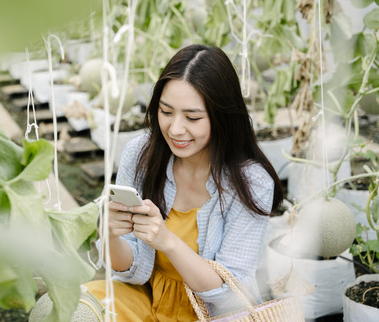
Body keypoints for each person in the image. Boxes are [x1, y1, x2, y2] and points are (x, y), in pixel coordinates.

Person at [84, 44, 283, 321]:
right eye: (166, 112)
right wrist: (110, 235)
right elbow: (134, 270)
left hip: (213, 314)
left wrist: (166, 240)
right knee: (77, 309)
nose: (175, 129)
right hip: (147, 297)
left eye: (192, 117)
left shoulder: (252, 182)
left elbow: (230, 294)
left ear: (222, 117)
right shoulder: (141, 153)